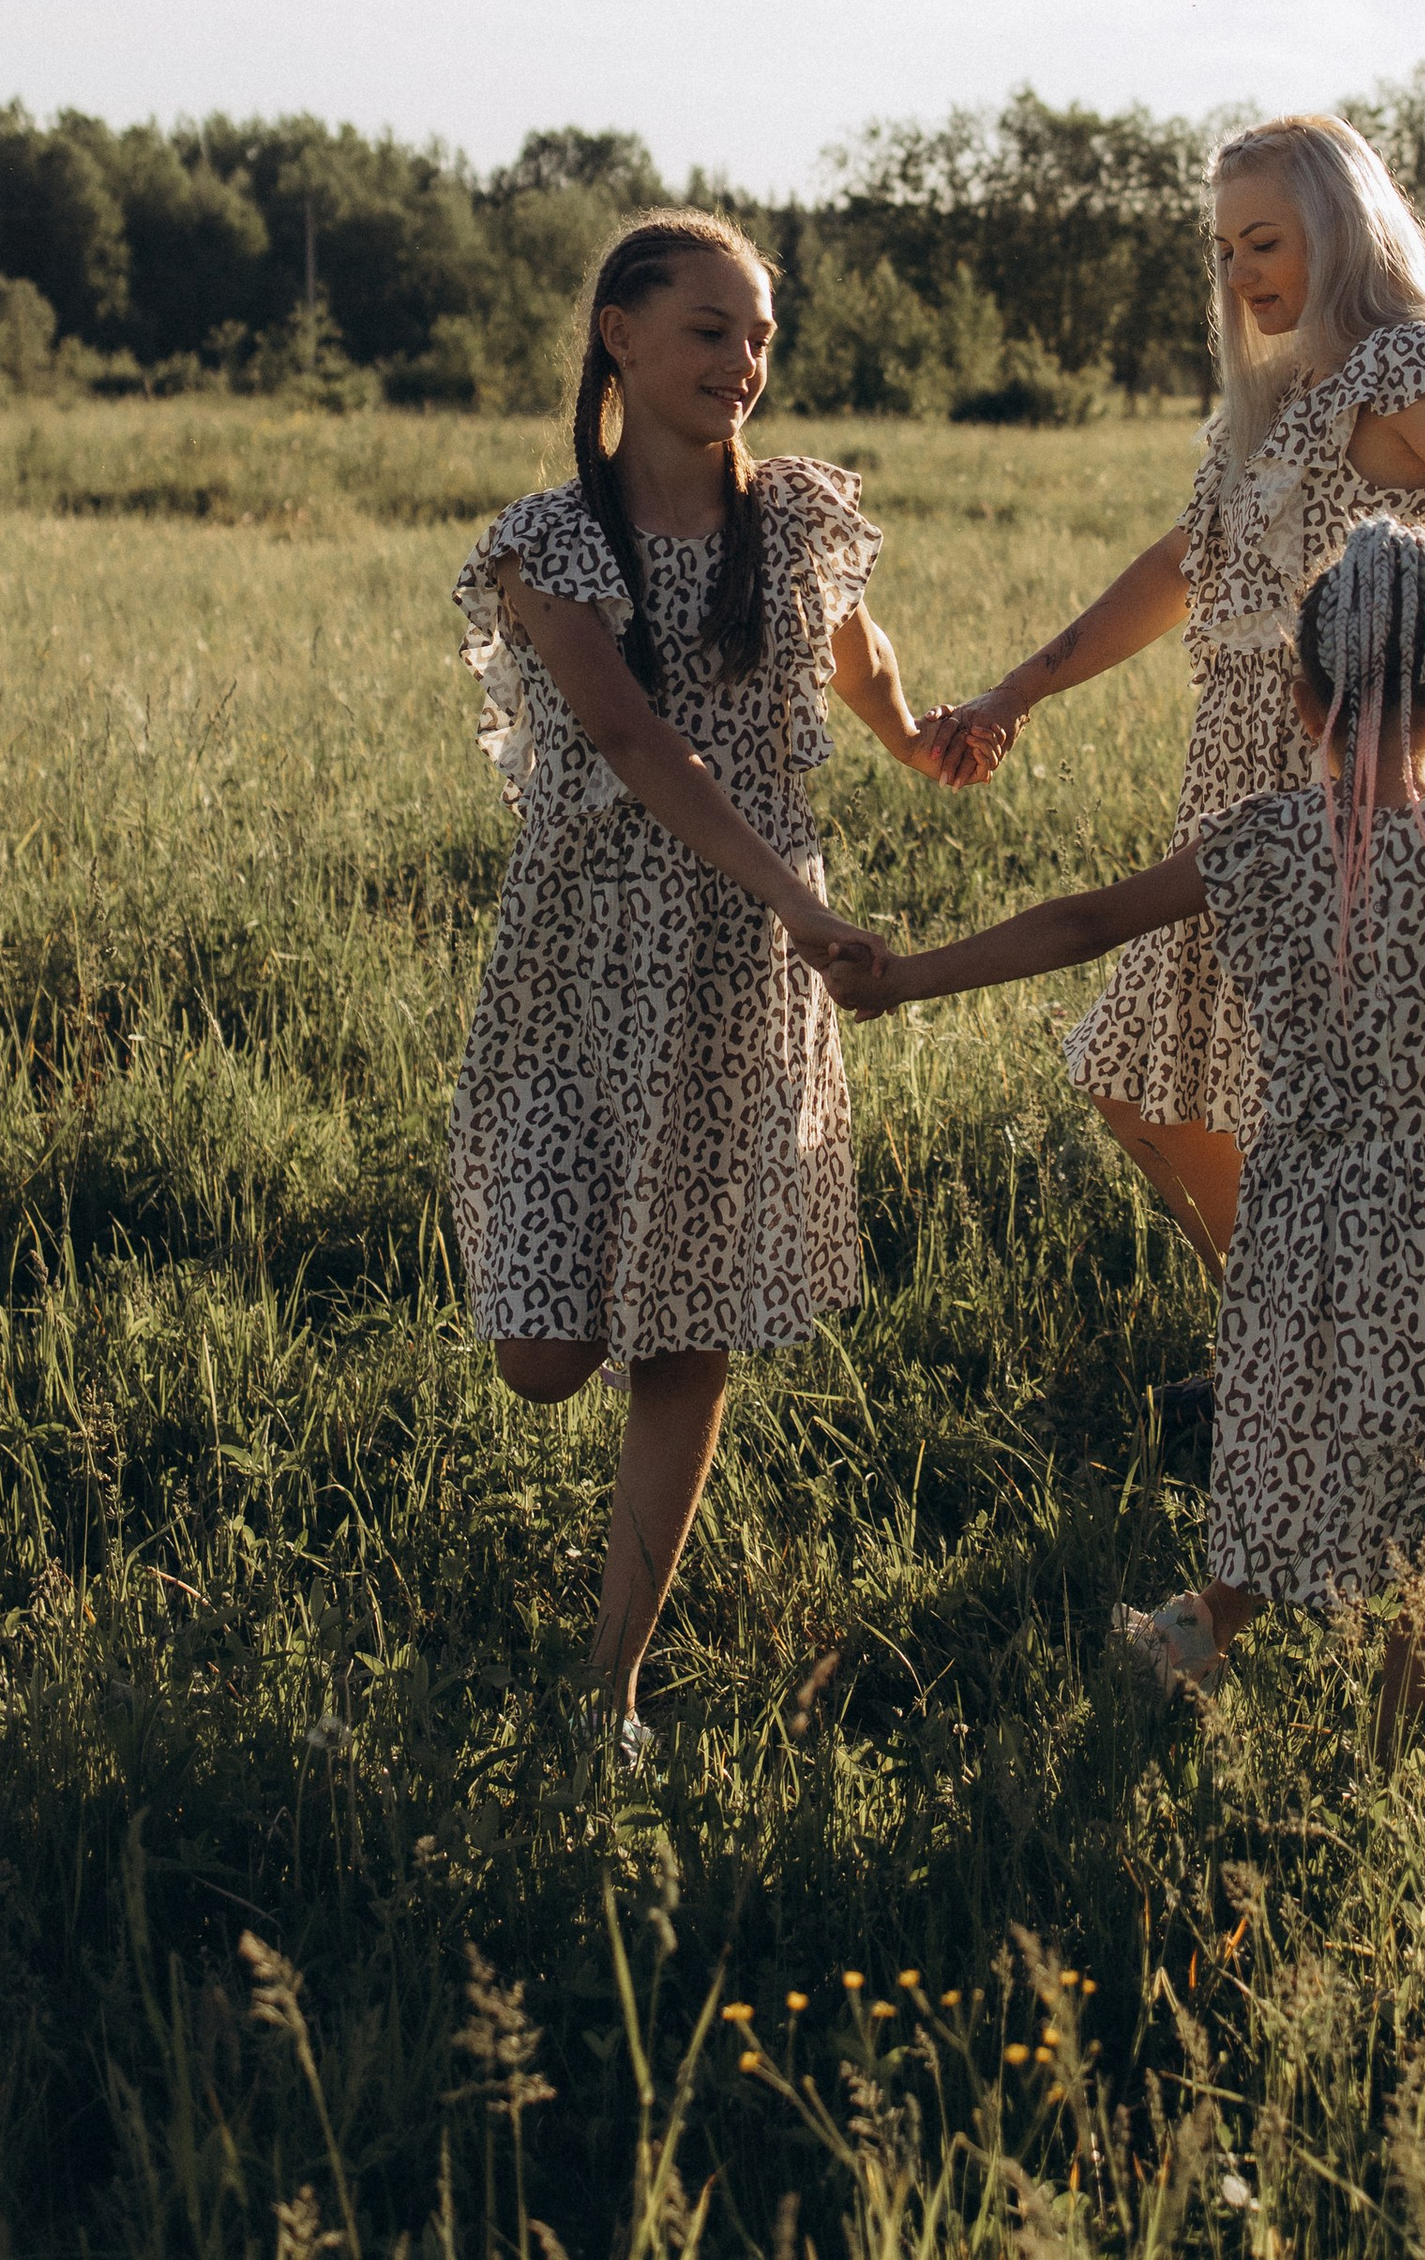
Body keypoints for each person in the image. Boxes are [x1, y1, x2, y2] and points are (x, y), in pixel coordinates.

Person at [842, 519, 1425, 1733]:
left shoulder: (1259, 846)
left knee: (1290, 1456)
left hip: (1301, 1216)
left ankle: (1190, 1636)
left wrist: (904, 977)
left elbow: (1079, 924)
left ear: (1301, 688)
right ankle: (1400, 1744)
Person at [924, 112, 1425, 1304]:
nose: (1239, 274)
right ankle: (1293, 1332)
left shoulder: (1415, 370)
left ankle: (1356, 1351)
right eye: (1224, 249)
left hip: (1384, 775)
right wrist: (1015, 689)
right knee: (1161, 1079)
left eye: (1265, 242)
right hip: (1246, 789)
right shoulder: (1278, 398)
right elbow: (1181, 567)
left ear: (1340, 233)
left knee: (1374, 1107)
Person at [449, 208, 953, 1758]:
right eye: (708, 331)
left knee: (680, 1331)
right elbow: (628, 740)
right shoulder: (554, 543)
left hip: (738, 984)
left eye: (757, 336)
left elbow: (854, 658)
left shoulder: (794, 519)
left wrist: (922, 736)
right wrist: (801, 897)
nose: (742, 363)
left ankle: (610, 1689)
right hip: (580, 963)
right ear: (619, 335)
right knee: (543, 1357)